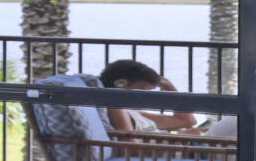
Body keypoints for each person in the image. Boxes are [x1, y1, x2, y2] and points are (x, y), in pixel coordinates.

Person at [94, 58, 226, 139]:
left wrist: (169, 87)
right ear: (120, 84)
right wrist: (180, 137)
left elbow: (187, 121)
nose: (145, 100)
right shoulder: (116, 107)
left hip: (184, 147)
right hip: (178, 153)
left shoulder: (133, 112)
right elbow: (132, 149)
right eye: (142, 92)